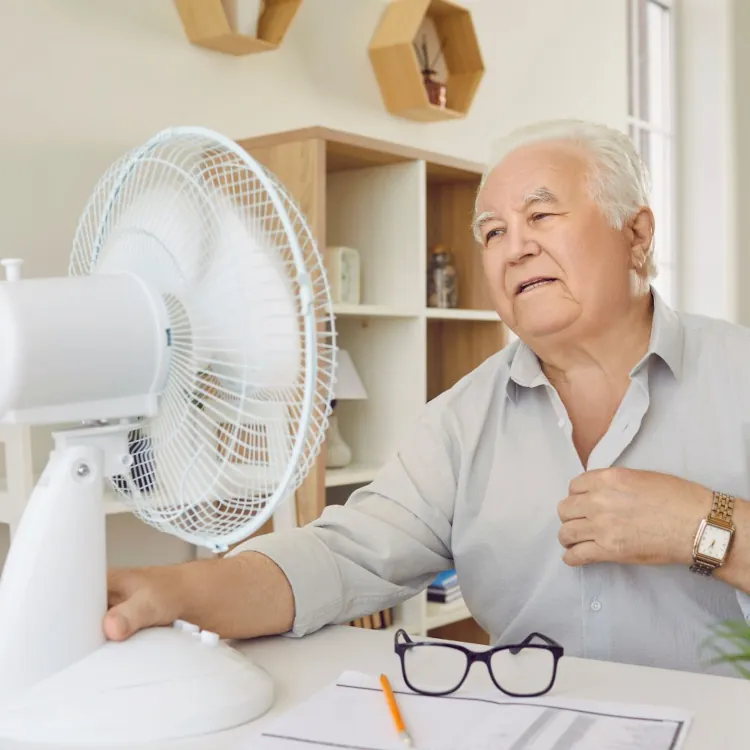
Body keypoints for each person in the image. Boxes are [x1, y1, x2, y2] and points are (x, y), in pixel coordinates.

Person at [105, 119, 750, 677]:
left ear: (636, 235)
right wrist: (178, 589)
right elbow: (341, 557)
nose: (515, 247)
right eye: (492, 232)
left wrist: (704, 528)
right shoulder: (460, 421)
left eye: (541, 215)